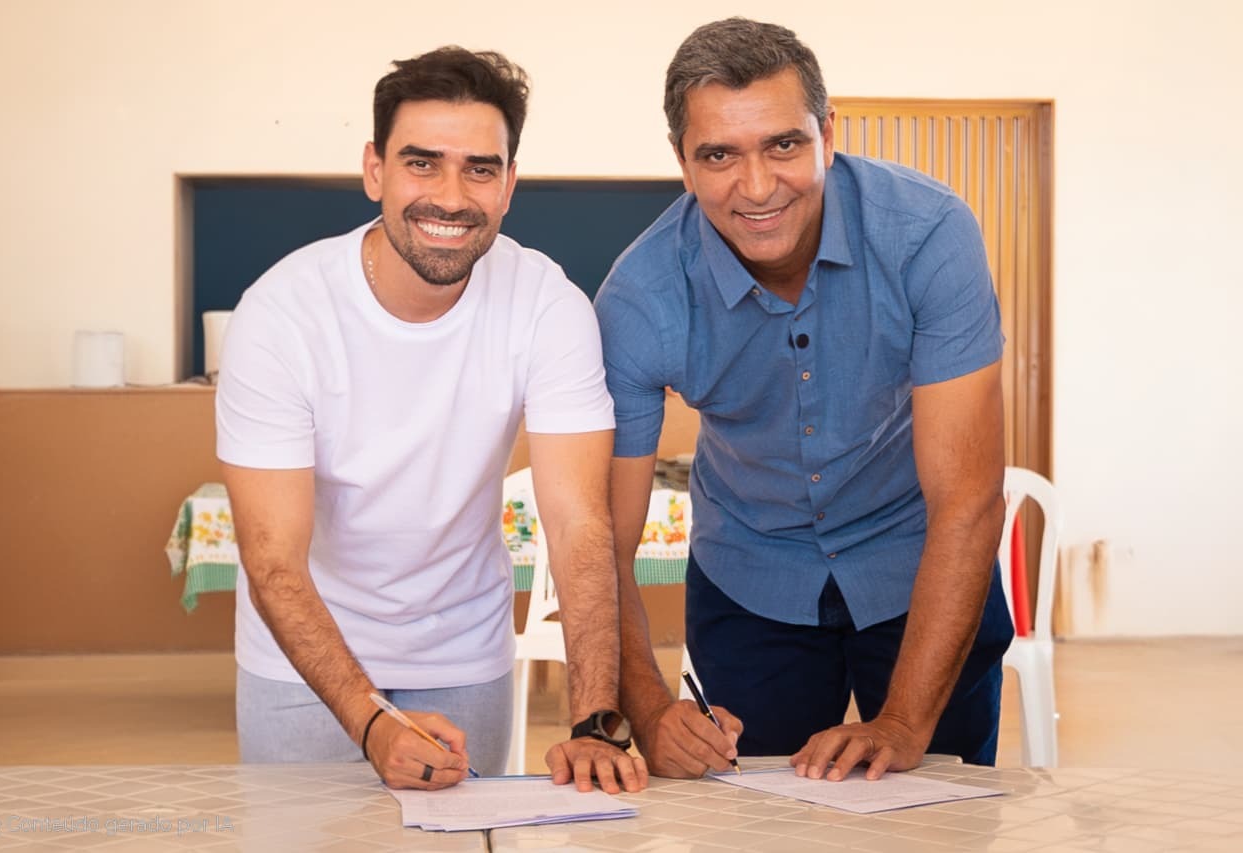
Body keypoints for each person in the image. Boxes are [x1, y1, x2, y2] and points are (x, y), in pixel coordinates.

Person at [216, 46, 646, 794]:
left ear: (508, 185)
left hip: (463, 655)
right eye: (422, 164)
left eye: (479, 169)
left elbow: (580, 526)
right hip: (299, 663)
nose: (451, 196)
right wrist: (370, 721)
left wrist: (593, 720)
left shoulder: (547, 304)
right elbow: (272, 559)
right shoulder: (281, 313)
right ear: (374, 170)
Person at [595, 18, 1012, 781]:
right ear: (683, 161)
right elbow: (605, 541)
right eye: (719, 154)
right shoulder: (641, 296)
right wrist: (649, 710)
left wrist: (904, 721)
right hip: (749, 573)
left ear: (828, 133)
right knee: (758, 817)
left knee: (943, 810)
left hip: (921, 559)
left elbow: (969, 499)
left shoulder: (929, 234)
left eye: (783, 144)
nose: (757, 187)